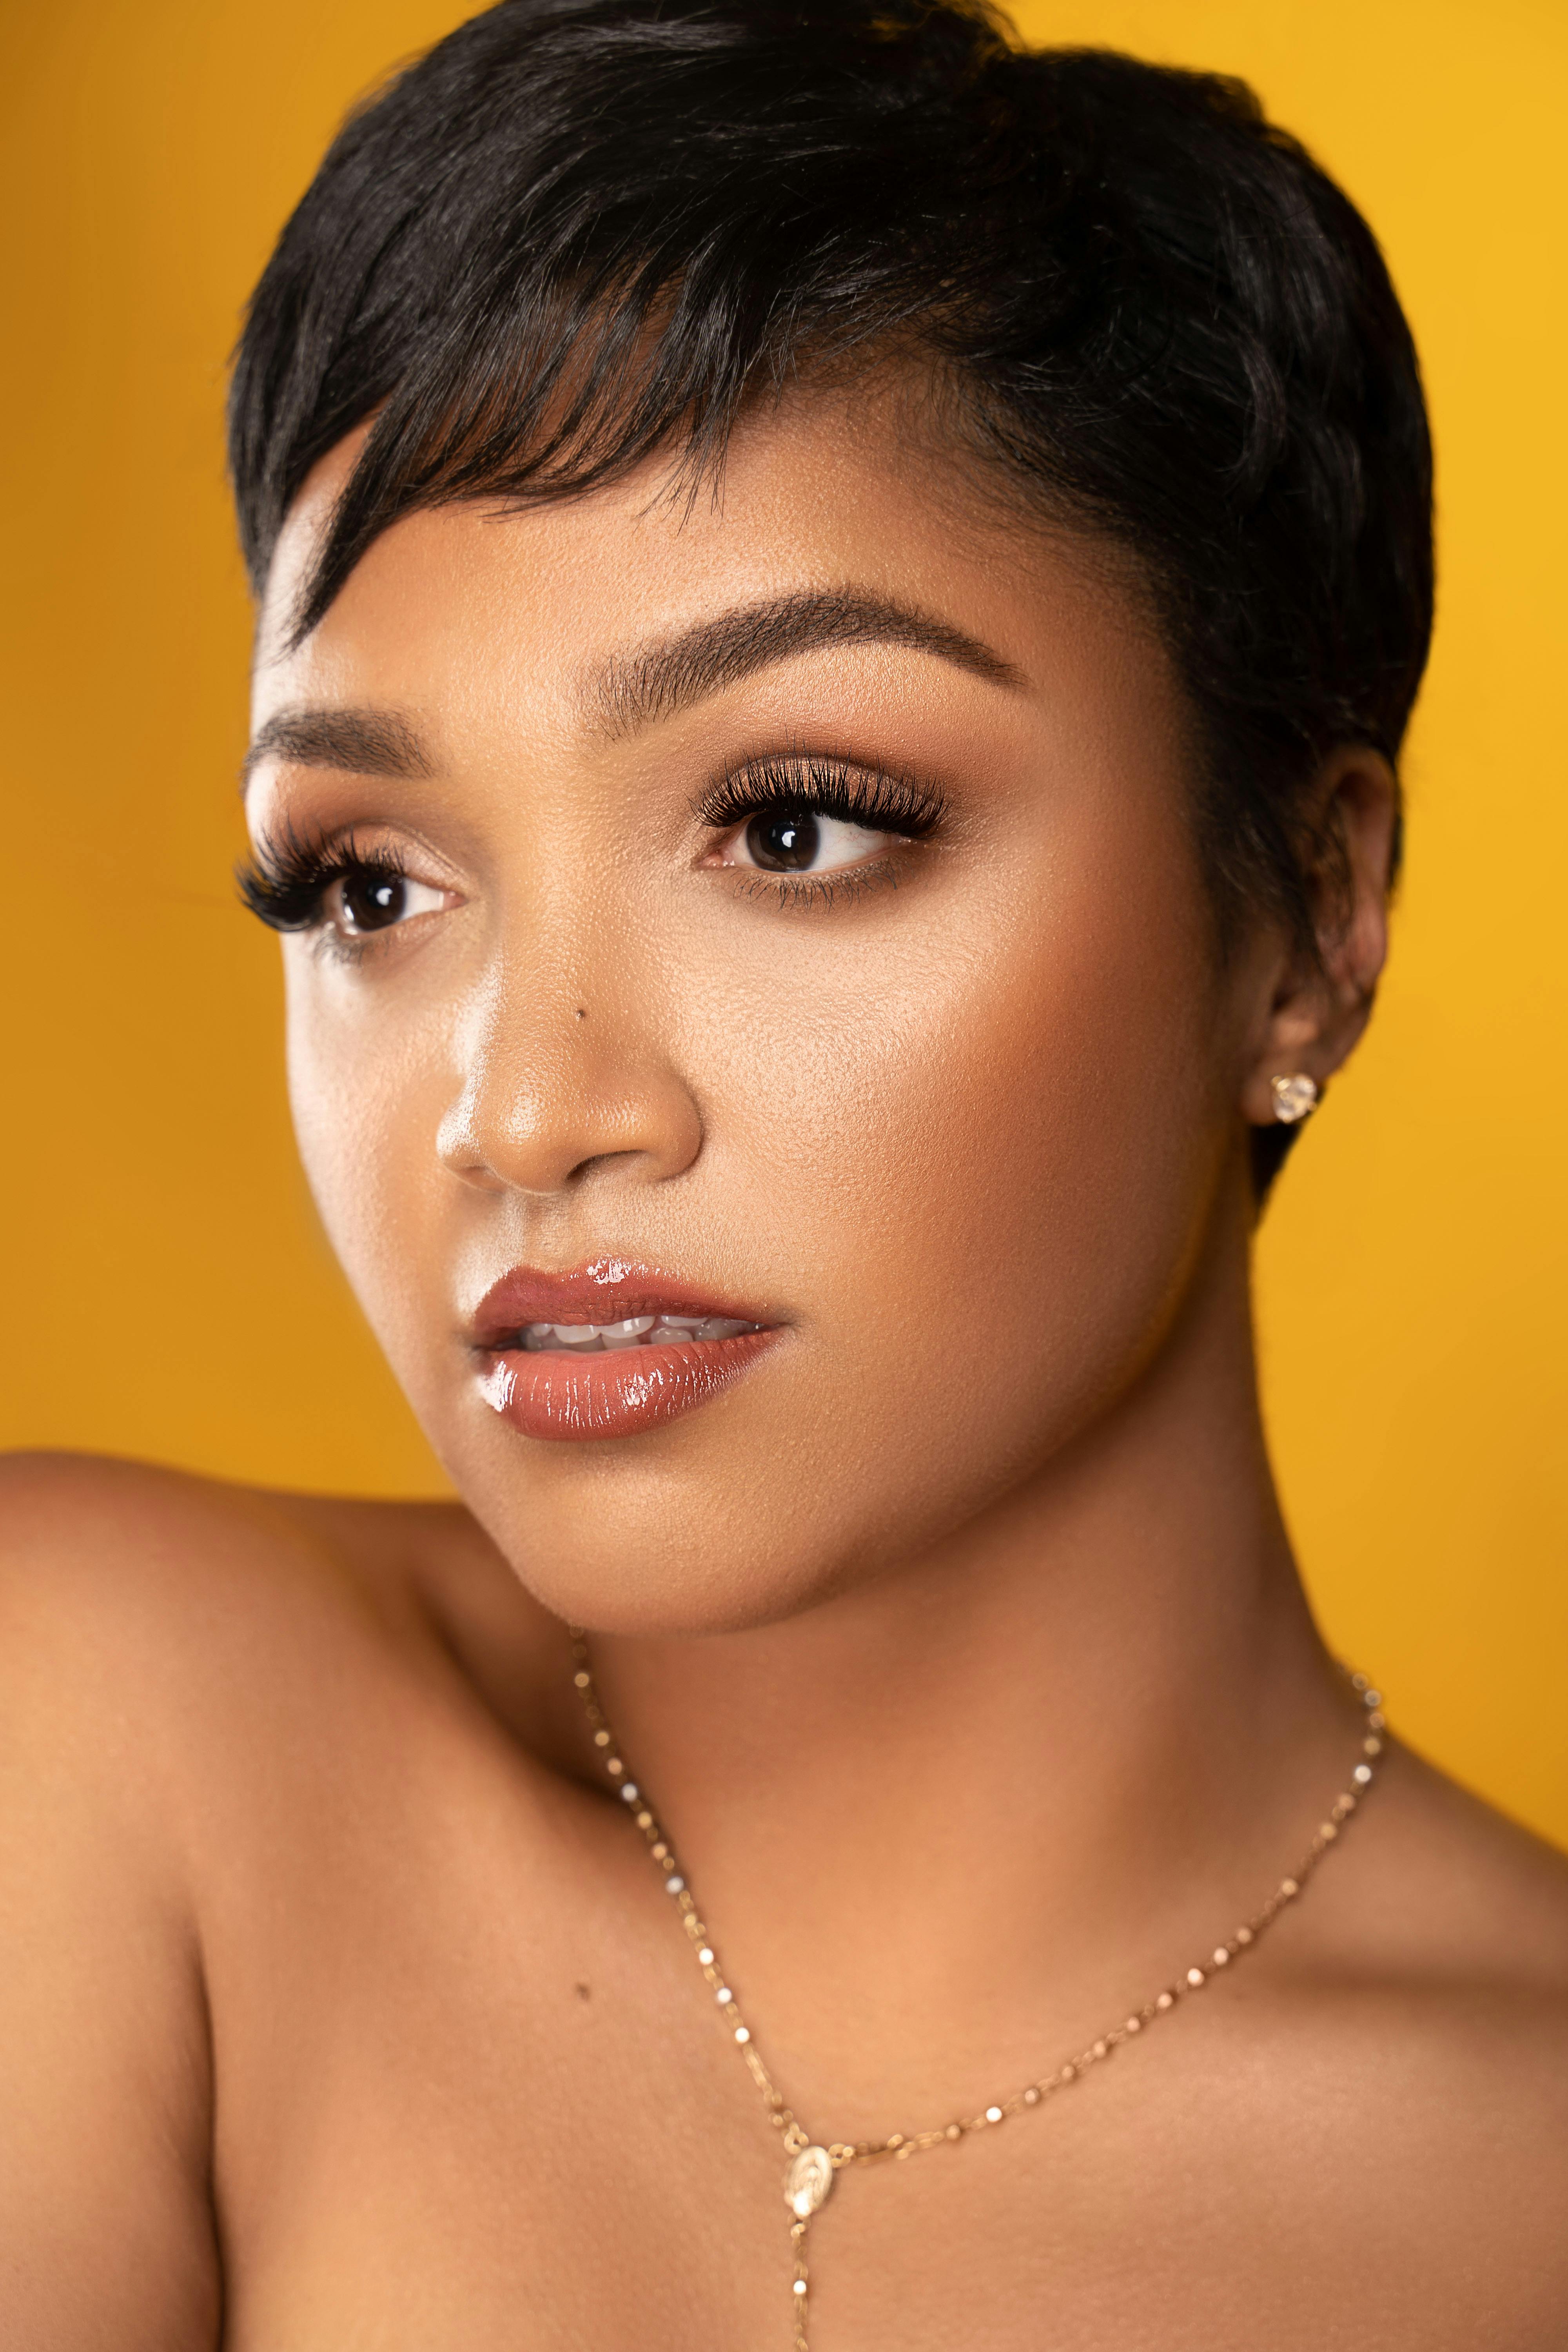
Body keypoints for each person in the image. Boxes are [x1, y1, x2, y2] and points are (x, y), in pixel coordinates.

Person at [2, 1, 1564, 2343]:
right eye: (371, 885)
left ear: (1308, 924)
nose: (525, 1113)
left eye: (794, 823)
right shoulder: (95, 1751)